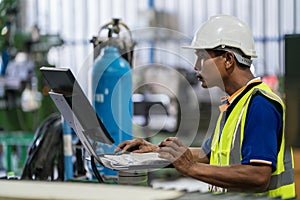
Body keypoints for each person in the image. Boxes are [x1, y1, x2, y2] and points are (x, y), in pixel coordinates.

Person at [116, 14, 295, 199]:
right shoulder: (234, 103)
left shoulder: (260, 104)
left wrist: (192, 169)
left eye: (202, 57)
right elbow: (207, 154)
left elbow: (258, 176)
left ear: (228, 59)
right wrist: (158, 152)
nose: (195, 66)